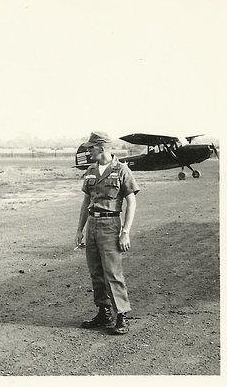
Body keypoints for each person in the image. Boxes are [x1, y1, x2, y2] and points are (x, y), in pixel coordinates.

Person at [75, 131, 139, 335]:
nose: (88, 150)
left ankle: (121, 315)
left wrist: (125, 231)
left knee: (112, 272)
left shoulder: (121, 170)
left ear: (101, 148)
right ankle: (104, 312)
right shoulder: (91, 170)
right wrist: (80, 229)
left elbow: (131, 201)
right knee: (95, 271)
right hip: (92, 224)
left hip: (111, 225)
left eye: (91, 147)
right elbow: (86, 201)